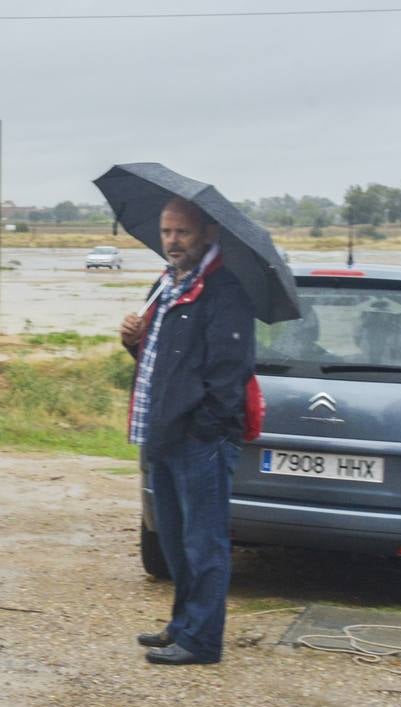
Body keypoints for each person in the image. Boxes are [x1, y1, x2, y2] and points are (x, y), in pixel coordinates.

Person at [118, 198, 255, 666]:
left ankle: (201, 641)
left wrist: (204, 430)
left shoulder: (224, 291)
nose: (173, 241)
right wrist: (132, 341)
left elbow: (228, 373)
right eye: (167, 232)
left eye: (183, 232)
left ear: (208, 234)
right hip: (165, 432)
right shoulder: (166, 284)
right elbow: (163, 363)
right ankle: (181, 626)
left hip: (199, 440)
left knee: (204, 542)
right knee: (175, 541)